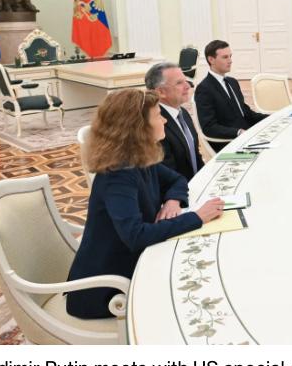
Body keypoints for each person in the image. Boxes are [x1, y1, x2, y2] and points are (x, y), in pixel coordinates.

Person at [66, 89, 224, 319]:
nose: (164, 120)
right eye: (159, 115)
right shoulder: (118, 174)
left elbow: (176, 180)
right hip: (105, 290)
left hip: (132, 264)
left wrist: (172, 201)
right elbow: (136, 236)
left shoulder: (139, 158)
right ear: (139, 127)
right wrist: (197, 217)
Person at [194, 40, 266, 150]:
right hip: (229, 143)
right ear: (211, 60)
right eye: (225, 57)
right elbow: (209, 127)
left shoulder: (233, 82)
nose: (230, 61)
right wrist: (238, 132)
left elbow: (245, 113)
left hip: (247, 136)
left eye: (230, 56)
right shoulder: (204, 89)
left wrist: (273, 116)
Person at [146, 62, 205, 179]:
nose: (188, 86)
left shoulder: (183, 113)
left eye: (185, 80)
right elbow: (168, 176)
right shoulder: (156, 125)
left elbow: (195, 155)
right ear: (161, 92)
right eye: (179, 83)